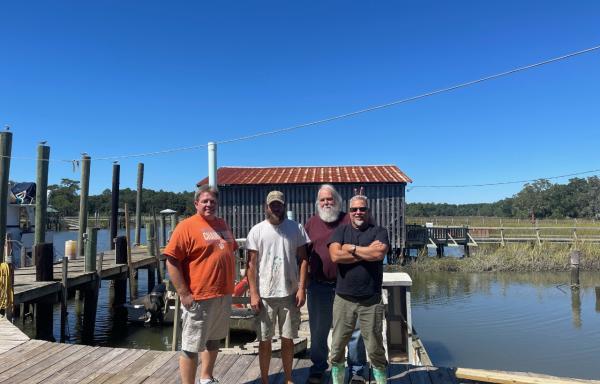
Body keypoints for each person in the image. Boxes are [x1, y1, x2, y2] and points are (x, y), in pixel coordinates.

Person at [164, 185, 237, 384]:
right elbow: (171, 260)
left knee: (214, 340)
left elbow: (231, 249)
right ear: (196, 204)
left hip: (222, 295)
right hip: (198, 297)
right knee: (190, 345)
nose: (209, 205)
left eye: (212, 201)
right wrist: (183, 293)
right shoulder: (186, 226)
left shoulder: (223, 224)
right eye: (204, 201)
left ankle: (206, 377)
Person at [305, 184, 367, 384]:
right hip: (318, 286)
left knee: (354, 331)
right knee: (318, 331)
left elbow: (364, 241)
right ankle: (318, 367)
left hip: (346, 285)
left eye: (329, 199)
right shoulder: (311, 223)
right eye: (322, 200)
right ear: (317, 203)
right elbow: (303, 256)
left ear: (337, 201)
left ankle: (357, 370)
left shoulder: (348, 219)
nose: (326, 203)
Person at [246, 191, 310, 384]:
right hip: (265, 295)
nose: (276, 207)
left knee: (288, 339)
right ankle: (265, 379)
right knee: (264, 341)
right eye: (272, 204)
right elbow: (251, 265)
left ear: (284, 205)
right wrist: (254, 293)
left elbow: (304, 259)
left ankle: (289, 378)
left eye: (279, 204)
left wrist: (301, 288)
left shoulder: (296, 228)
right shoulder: (257, 231)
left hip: (289, 294)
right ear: (266, 207)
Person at [328, 194, 389, 384]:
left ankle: (380, 379)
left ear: (368, 211)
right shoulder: (341, 231)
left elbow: (378, 254)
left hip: (371, 300)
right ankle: (338, 379)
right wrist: (366, 252)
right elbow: (335, 256)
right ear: (349, 212)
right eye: (354, 209)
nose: (358, 212)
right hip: (343, 299)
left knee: (375, 347)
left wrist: (352, 248)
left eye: (362, 209)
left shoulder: (379, 231)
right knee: (337, 346)